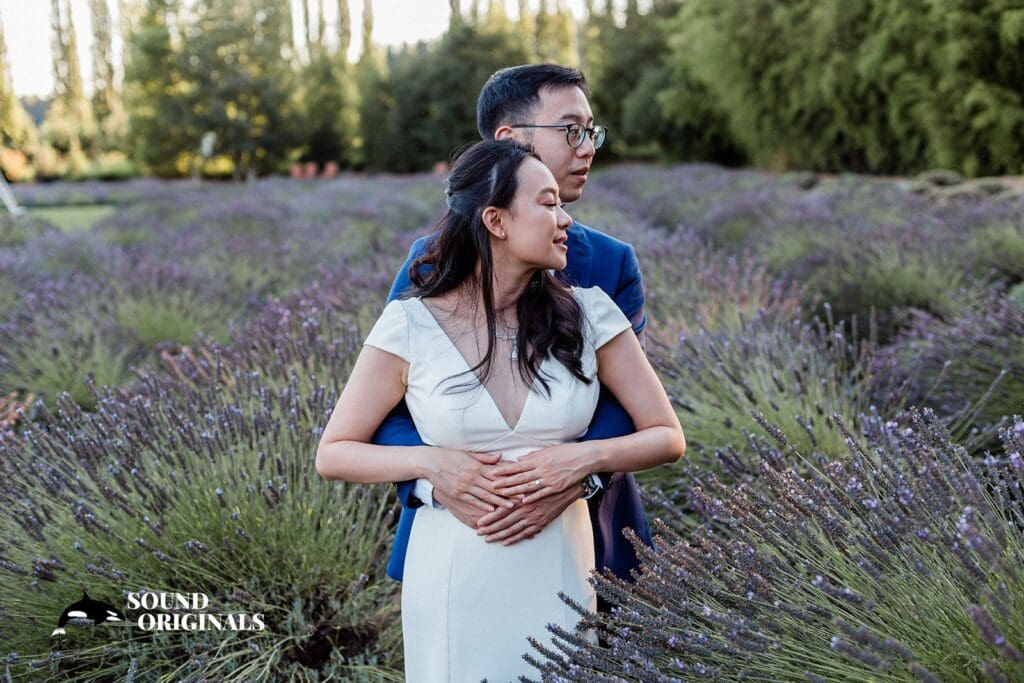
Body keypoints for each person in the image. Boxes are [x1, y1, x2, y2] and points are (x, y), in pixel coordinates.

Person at [316, 138, 684, 680]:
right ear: (496, 220)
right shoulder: (410, 324)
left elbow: (667, 437)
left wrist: (583, 461)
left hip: (561, 562)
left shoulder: (591, 314)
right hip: (452, 567)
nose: (564, 220)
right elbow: (334, 452)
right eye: (548, 203)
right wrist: (430, 464)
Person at [375, 65, 657, 606]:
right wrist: (438, 482)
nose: (588, 147)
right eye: (571, 129)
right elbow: (388, 404)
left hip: (589, 534)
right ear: (511, 141)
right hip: (461, 530)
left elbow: (629, 404)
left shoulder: (612, 263)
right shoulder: (428, 263)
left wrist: (575, 478)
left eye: (592, 132)